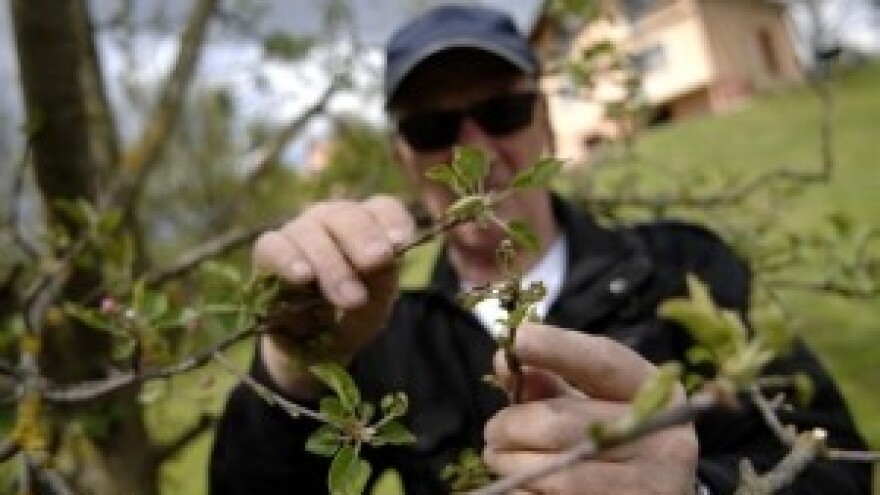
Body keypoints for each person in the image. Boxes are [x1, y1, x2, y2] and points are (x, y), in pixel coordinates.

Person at [209, 5, 871, 494]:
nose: (472, 150)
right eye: (434, 126)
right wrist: (295, 366)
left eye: (502, 112)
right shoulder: (385, 337)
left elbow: (836, 462)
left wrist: (698, 488)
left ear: (547, 121)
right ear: (403, 158)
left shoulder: (681, 267)